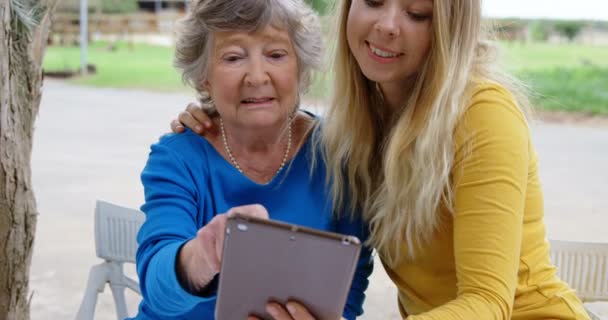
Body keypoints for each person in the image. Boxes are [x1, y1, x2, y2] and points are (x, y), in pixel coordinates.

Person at [172, 0, 592, 319]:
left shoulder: (483, 113)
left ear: (448, 29)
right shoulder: (363, 121)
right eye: (373, 0)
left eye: (416, 12)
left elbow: (487, 302)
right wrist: (221, 114)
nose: (388, 26)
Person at [131, 1, 373, 319]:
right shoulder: (178, 157)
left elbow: (348, 291)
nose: (257, 77)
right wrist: (203, 256)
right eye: (233, 57)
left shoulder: (341, 154)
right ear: (204, 77)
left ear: (301, 68)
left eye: (275, 55)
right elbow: (158, 287)